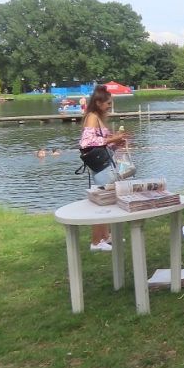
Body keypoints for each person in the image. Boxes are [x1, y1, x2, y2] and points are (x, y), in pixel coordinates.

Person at [80, 84, 131, 252]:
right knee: (101, 204)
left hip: (105, 164)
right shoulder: (92, 117)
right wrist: (112, 139)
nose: (110, 106)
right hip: (100, 168)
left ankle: (106, 236)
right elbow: (86, 143)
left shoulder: (97, 117)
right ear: (98, 103)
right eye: (108, 103)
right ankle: (96, 242)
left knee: (107, 201)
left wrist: (116, 143)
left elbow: (101, 145)